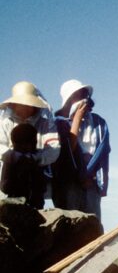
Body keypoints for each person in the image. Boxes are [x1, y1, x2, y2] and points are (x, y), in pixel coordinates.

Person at [52, 79, 110, 219]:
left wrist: (92, 176)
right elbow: (67, 152)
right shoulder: (59, 124)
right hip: (68, 183)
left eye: (85, 95)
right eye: (79, 95)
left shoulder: (98, 123)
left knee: (92, 225)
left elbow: (103, 151)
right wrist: (76, 119)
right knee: (71, 223)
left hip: (92, 182)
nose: (84, 99)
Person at [0, 81, 60, 208]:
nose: (24, 107)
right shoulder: (4, 119)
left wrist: (34, 158)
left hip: (36, 177)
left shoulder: (45, 120)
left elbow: (53, 150)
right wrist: (14, 157)